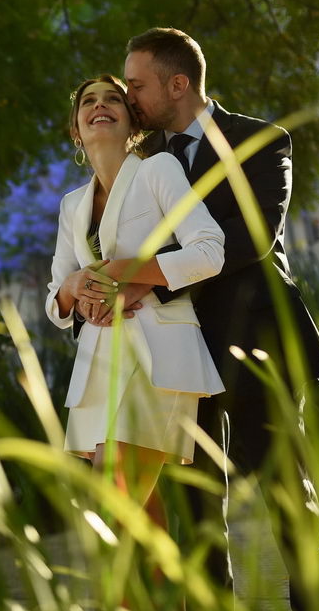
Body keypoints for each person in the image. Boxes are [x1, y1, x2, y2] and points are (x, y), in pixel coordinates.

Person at [118, 27, 319, 611]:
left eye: (137, 85)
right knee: (195, 498)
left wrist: (142, 274)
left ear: (179, 83)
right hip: (181, 348)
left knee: (283, 485)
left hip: (257, 338)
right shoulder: (143, 166)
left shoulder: (262, 141)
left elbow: (251, 241)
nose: (129, 95)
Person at [45, 74, 226, 525]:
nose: (99, 105)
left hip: (157, 358)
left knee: (117, 508)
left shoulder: (157, 170)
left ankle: (113, 600)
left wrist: (128, 271)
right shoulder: (72, 205)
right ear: (75, 129)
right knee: (144, 524)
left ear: (133, 125)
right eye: (88, 100)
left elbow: (209, 250)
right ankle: (165, 600)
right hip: (98, 368)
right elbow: (56, 298)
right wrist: (75, 289)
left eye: (113, 99)